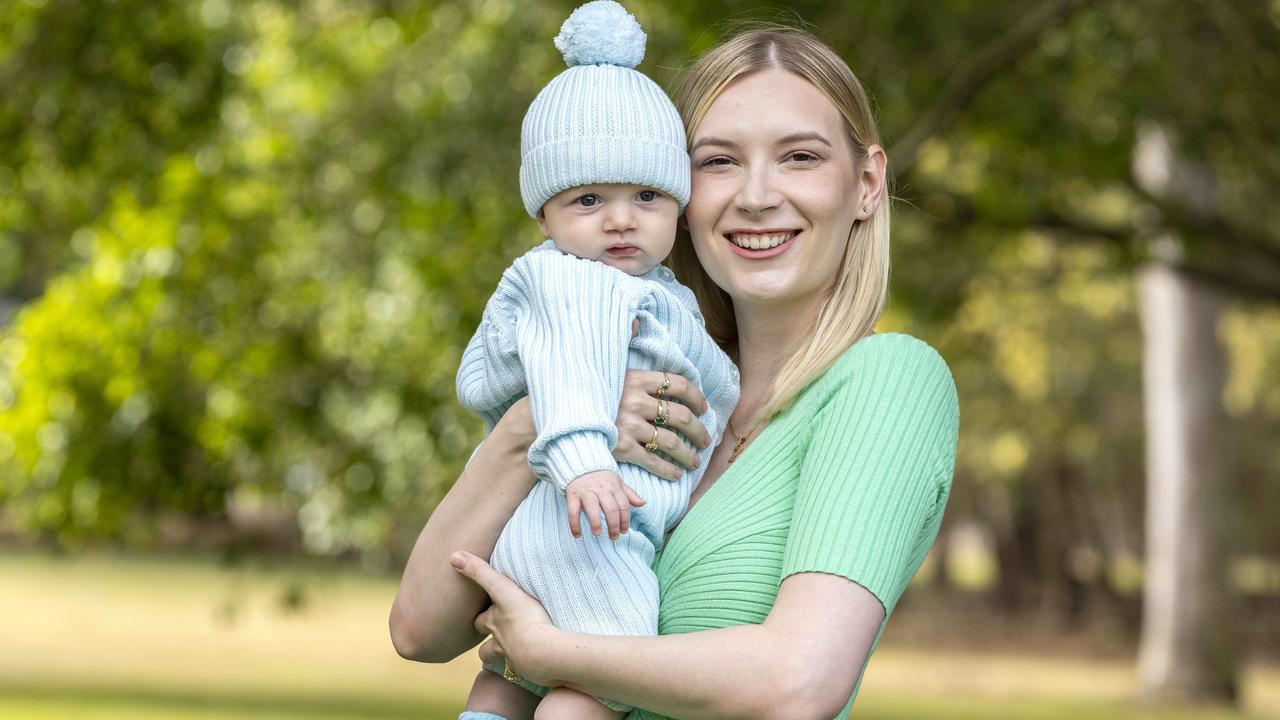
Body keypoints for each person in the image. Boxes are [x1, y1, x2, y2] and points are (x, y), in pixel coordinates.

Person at [390, 20, 960, 720]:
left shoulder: (887, 381)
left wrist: (550, 653)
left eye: (800, 157)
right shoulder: (639, 381)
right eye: (718, 161)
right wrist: (541, 420)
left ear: (867, 183)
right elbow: (418, 631)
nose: (755, 195)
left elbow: (799, 683)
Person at [450, 3, 739, 719]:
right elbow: (571, 368)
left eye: (646, 195)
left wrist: (736, 402)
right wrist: (584, 460)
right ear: (543, 215)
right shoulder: (578, 283)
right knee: (602, 678)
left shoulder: (658, 294)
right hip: (591, 529)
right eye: (588, 199)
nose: (620, 219)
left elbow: (711, 377)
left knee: (508, 680)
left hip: (564, 525)